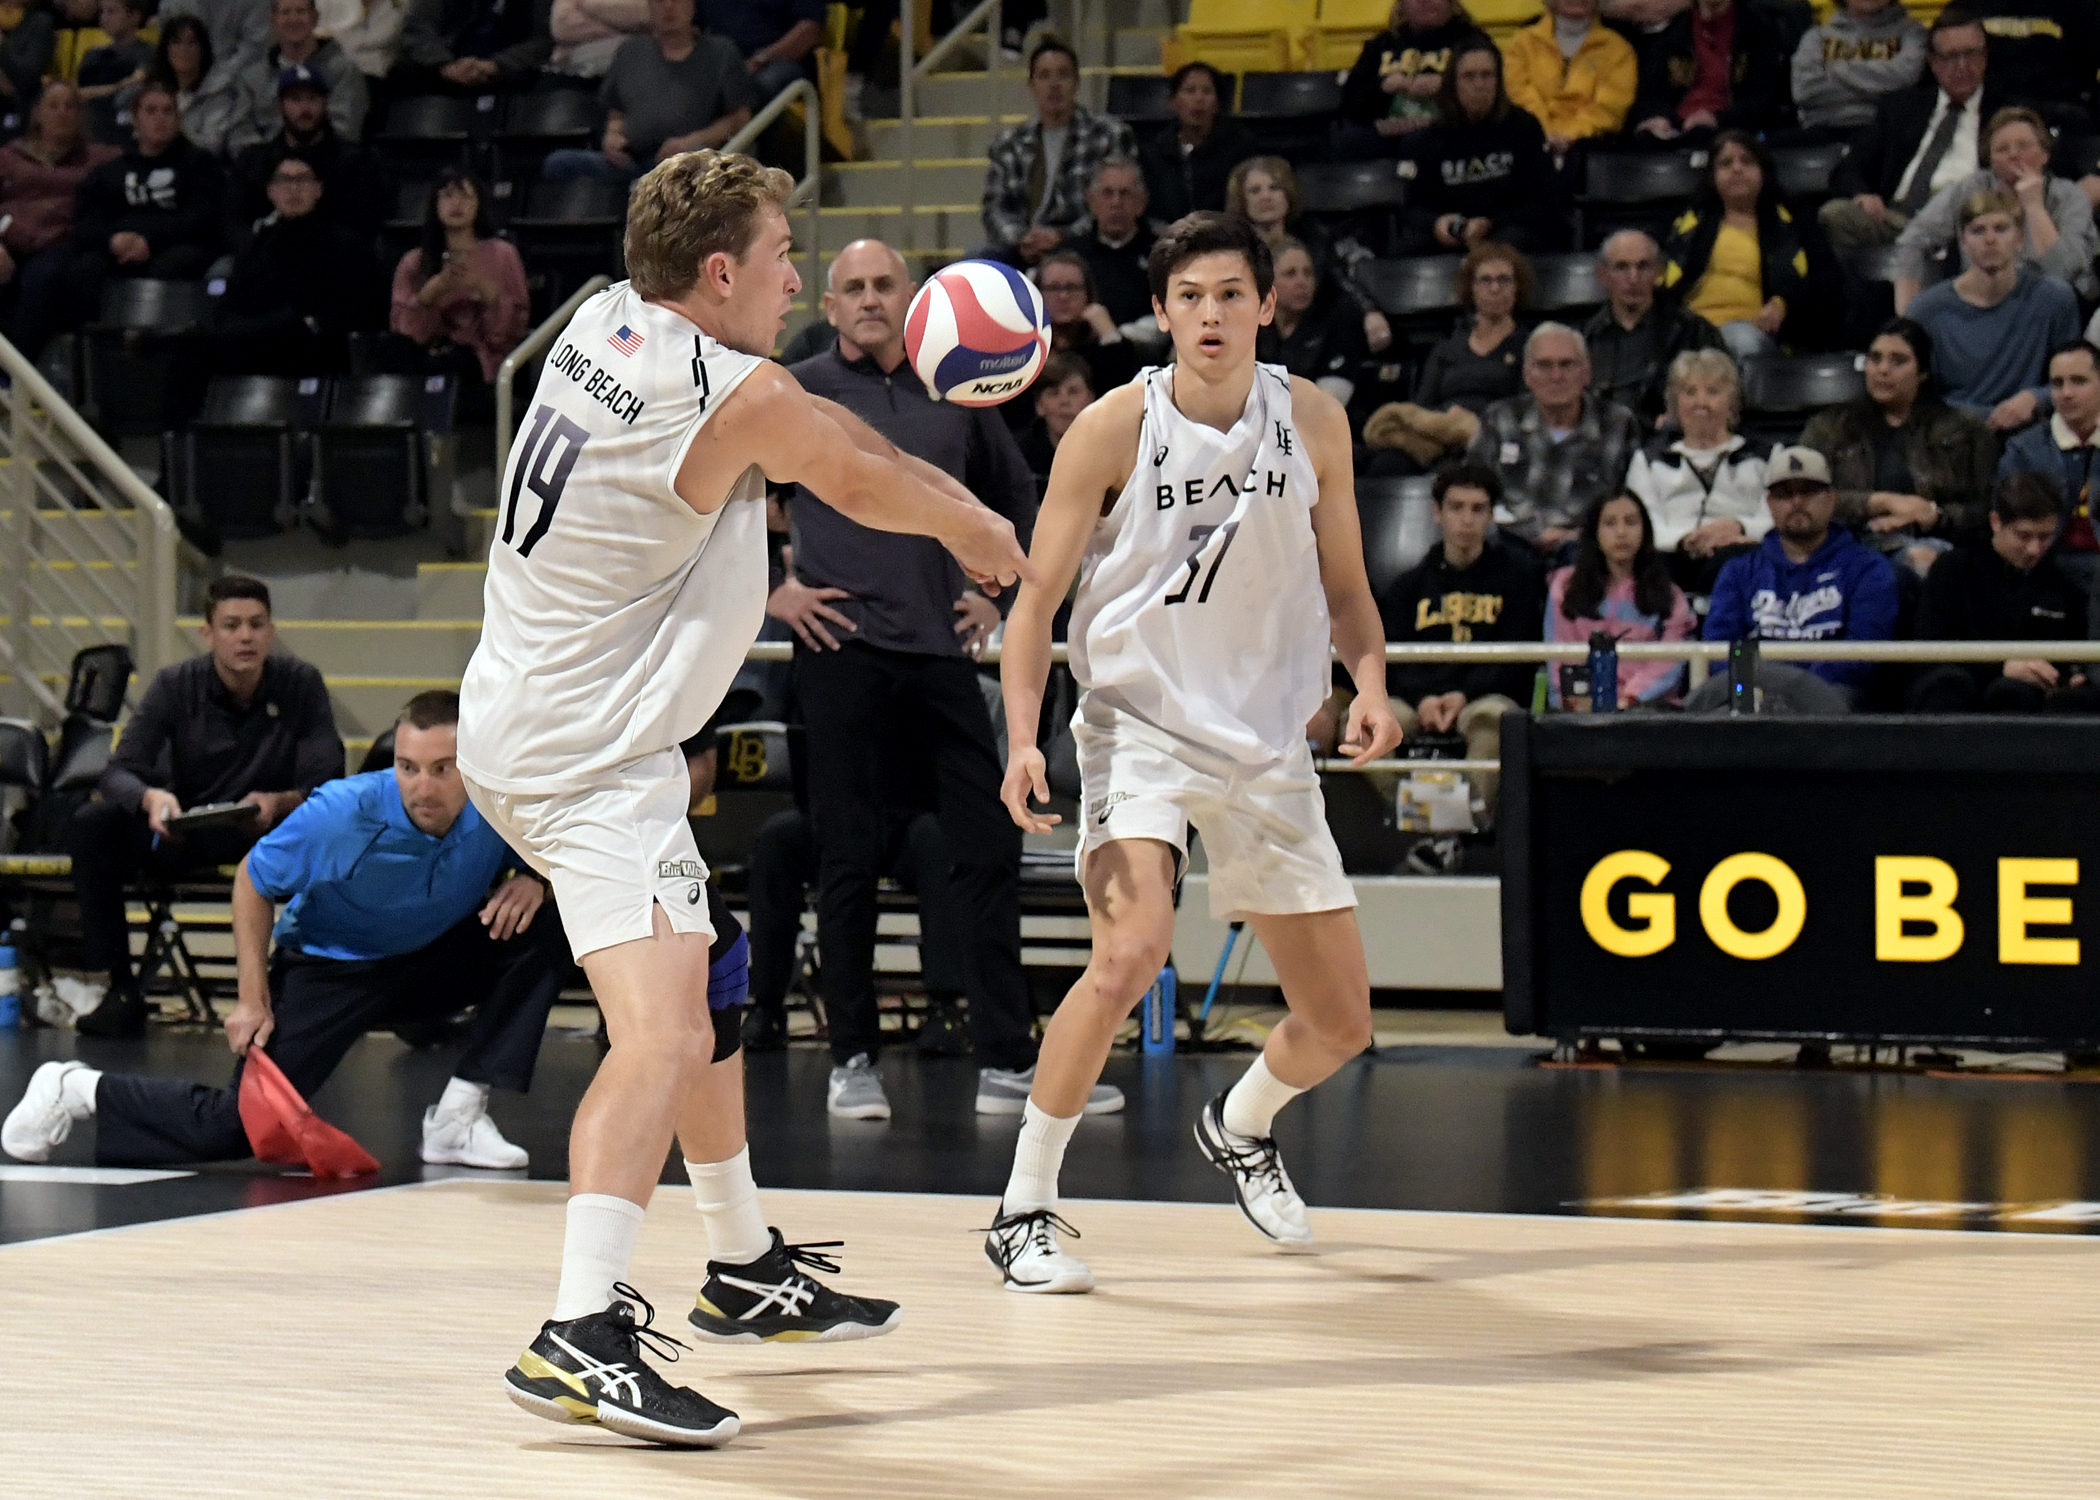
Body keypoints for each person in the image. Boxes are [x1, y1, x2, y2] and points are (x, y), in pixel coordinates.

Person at [457, 150, 1031, 1443]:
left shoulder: (604, 317)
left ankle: (741, 1264)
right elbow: (864, 474)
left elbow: (834, 437)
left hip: (537, 715)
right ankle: (579, 1330)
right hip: (586, 760)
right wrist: (993, 537)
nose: (794, 284)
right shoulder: (726, 391)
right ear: (718, 273)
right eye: (780, 259)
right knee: (658, 1035)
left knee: (705, 984)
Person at [984, 210, 1402, 1291]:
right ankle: (1024, 1205)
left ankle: (1243, 1121)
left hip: (1266, 737)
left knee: (1341, 1022)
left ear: (1267, 304)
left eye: (1230, 294)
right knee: (1129, 954)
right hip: (1142, 724)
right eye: (1189, 297)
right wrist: (1024, 739)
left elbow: (1349, 587)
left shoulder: (1313, 421)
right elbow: (1033, 606)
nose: (1210, 314)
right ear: (1161, 313)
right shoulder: (1114, 428)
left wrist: (1374, 686)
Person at [5, 692, 576, 1171]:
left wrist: (533, 876)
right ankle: (75, 1088)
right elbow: (253, 879)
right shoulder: (344, 813)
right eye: (408, 767)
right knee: (236, 1130)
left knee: (553, 924)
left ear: (474, 762)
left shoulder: (504, 800)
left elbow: (562, 840)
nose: (422, 788)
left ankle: (458, 1119)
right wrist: (252, 1000)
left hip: (430, 957)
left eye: (441, 769)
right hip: (331, 968)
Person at [777, 238, 1078, 1122]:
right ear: (829, 306)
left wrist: (1002, 603)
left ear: (912, 299)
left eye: (885, 284)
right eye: (854, 287)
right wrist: (774, 592)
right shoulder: (798, 390)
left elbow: (1021, 495)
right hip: (841, 652)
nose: (870, 298)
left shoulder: (957, 392)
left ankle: (1007, 1060)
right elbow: (711, 498)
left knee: (989, 841)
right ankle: (852, 1058)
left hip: (943, 654)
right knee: (848, 857)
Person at [53, 575, 342, 1038]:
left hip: (273, 834)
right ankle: (119, 990)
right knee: (92, 825)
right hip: (189, 831)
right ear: (208, 634)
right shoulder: (175, 684)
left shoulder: (301, 683)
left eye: (255, 624)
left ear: (271, 631)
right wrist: (151, 797)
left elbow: (327, 782)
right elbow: (117, 770)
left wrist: (280, 802)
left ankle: (308, 992)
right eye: (231, 625)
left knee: (341, 830)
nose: (245, 636)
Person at [1376, 461, 1542, 830]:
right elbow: (1394, 661)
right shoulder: (1408, 586)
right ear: (1437, 513)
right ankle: (1425, 821)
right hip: (1419, 700)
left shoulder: (1518, 580)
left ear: (1490, 517)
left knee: (1494, 721)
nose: (1466, 519)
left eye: (1477, 509)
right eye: (1456, 507)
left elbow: (1516, 661)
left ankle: (1458, 830)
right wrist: (1423, 700)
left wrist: (1462, 696)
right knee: (1367, 724)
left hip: (1482, 698)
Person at [1697, 445, 1900, 709]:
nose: (1796, 502)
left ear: (1831, 498)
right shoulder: (1738, 571)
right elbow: (1720, 649)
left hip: (1830, 698)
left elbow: (1863, 653)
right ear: (1769, 504)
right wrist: (1753, 693)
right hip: (1749, 696)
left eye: (1808, 491)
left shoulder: (1868, 568)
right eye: (1785, 494)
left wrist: (1795, 693)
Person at [1800, 316, 1998, 575]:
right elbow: (1802, 496)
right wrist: (1880, 502)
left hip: (1934, 544)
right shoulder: (1829, 427)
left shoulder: (1963, 430)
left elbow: (1987, 507)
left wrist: (1934, 514)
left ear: (1923, 372)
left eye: (1898, 361)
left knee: (1923, 562)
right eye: (1875, 358)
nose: (1883, 370)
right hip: (1846, 543)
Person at [1909, 470, 2095, 711]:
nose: (2034, 549)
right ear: (1996, 522)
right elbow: (1929, 650)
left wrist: (2071, 678)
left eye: (2045, 537)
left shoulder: (2061, 584)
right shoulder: (1953, 570)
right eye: (2024, 536)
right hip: (1955, 692)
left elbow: (2073, 653)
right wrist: (2000, 667)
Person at [1822, 10, 2003, 255]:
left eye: (1971, 54)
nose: (1962, 66)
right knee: (1834, 215)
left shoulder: (2005, 114)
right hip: (1897, 219)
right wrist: (1862, 194)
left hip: (1964, 226)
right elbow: (1849, 168)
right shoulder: (1901, 109)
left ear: (1985, 57)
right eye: (1950, 56)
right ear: (1933, 61)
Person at [1903, 186, 2080, 430]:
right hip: (1953, 433)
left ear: (2020, 238)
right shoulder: (1926, 310)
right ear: (1963, 242)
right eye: (1978, 231)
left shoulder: (2055, 299)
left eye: (2000, 229)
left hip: (2031, 431)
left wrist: (2036, 398)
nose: (1989, 240)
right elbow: (1914, 390)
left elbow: (2077, 377)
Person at [1464, 322, 1643, 556]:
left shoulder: (1619, 424)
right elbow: (1470, 495)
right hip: (1508, 549)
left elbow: (1632, 511)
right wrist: (1526, 532)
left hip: (1587, 553)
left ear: (1586, 373)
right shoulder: (1500, 418)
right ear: (1527, 375)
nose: (1556, 376)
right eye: (1544, 365)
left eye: (1567, 365)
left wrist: (1578, 537)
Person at [1659, 129, 1838, 359]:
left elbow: (1827, 281)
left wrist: (1783, 305)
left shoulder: (1795, 223)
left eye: (1747, 161)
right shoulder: (1686, 222)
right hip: (1690, 333)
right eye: (1725, 163)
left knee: (1737, 339)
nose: (1737, 169)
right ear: (1712, 177)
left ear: (1763, 171)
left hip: (1752, 334)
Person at [1893, 105, 2097, 307]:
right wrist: (1909, 318)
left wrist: (2034, 207)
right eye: (2002, 149)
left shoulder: (2070, 197)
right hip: (1981, 303)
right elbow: (1912, 241)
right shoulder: (1971, 188)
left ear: (2045, 155)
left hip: (2049, 307)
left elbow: (2065, 273)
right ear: (1990, 160)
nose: (2013, 154)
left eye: (2023, 146)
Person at [210, 152, 384, 375]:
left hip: (321, 359)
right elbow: (229, 314)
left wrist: (309, 325)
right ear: (271, 192)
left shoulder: (348, 247)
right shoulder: (255, 248)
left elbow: (368, 311)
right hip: (261, 356)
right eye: (284, 181)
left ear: (318, 190)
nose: (293, 189)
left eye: (302, 180)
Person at [541, 0, 752, 184]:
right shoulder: (630, 52)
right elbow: (617, 113)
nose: (668, 7)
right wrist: (612, 137)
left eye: (676, 0)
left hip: (693, 164)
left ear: (692, 6)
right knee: (559, 163)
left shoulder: (721, 53)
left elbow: (740, 117)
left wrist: (694, 141)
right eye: (659, 1)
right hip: (631, 162)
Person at [66, 80, 223, 327]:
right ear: (135, 120)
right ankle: (90, 349)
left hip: (176, 248)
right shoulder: (109, 172)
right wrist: (113, 240)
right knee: (86, 269)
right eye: (151, 111)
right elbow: (85, 224)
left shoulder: (199, 164)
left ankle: (160, 353)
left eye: (167, 111)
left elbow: (203, 219)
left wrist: (149, 241)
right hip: (118, 249)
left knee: (172, 265)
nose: (160, 119)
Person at [1363, 241, 1528, 469]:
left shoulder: (1530, 346)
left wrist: (1472, 425)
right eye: (1485, 280)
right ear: (1471, 288)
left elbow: (1527, 410)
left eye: (1504, 280)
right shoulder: (1446, 350)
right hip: (1440, 438)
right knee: (1387, 464)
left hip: (1494, 440)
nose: (1494, 288)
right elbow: (1423, 408)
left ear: (1517, 288)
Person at [1394, 37, 1562, 255]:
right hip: (1453, 234)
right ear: (1453, 84)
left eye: (1487, 75)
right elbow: (1413, 206)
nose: (1479, 85)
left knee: (1509, 245)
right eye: (1469, 77)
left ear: (1499, 82)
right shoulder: (1430, 139)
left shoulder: (1524, 128)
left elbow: (1545, 201)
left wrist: (1491, 223)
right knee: (1407, 249)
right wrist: (1437, 223)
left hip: (1507, 231)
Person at [979, 39, 1136, 269]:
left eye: (1063, 75)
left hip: (1082, 243)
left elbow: (1114, 204)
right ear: (1031, 86)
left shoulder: (1109, 135)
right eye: (1044, 76)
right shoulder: (1009, 143)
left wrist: (1063, 237)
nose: (1054, 84)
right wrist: (1021, 238)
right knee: (981, 257)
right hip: (1023, 244)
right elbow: (995, 206)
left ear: (1077, 83)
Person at [1625, 347, 1771, 590]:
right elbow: (1644, 521)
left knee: (1734, 564)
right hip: (1672, 555)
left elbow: (1775, 516)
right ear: (1675, 403)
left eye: (1712, 392)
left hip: (1741, 550)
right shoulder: (1648, 460)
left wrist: (1739, 527)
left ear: (1732, 402)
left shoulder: (1764, 456)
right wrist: (1685, 540)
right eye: (1689, 393)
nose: (1700, 403)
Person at [1228, 154, 1392, 358]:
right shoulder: (1230, 248)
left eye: (1274, 188)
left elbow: (1340, 282)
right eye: (1255, 191)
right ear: (1242, 201)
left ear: (1288, 194)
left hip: (1312, 330)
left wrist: (1369, 312)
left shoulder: (1314, 237)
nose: (1266, 197)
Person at [1544, 492, 1697, 706]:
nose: (1621, 532)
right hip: (1578, 712)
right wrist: (1583, 703)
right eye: (1609, 523)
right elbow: (1561, 656)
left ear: (1645, 531)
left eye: (1631, 522)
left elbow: (1668, 664)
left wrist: (1629, 699)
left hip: (1647, 712)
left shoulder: (1670, 597)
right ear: (1594, 532)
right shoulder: (1565, 587)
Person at [0, 83, 115, 359]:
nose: (62, 113)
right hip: (8, 239)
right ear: (37, 113)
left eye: (70, 106)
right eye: (53, 105)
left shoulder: (100, 159)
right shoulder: (8, 156)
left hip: (60, 244)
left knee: (42, 278)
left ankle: (20, 373)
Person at [387, 168, 530, 389]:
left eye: (466, 196)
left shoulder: (503, 254)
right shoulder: (414, 261)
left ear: (479, 205)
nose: (457, 204)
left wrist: (486, 292)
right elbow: (403, 332)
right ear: (435, 205)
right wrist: (429, 294)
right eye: (448, 196)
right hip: (426, 356)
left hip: (481, 363)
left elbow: (514, 330)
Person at [1995, 337, 2100, 620]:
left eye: (2079, 381)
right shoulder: (2024, 449)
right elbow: (2005, 520)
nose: (2066, 393)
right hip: (2045, 563)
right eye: (2057, 383)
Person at [225, 64, 387, 239]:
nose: (304, 109)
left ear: (325, 103)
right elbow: (235, 223)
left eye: (312, 98)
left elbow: (364, 224)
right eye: (295, 99)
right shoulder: (254, 162)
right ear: (280, 106)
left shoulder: (355, 162)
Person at [1582, 229, 1725, 424]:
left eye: (1643, 267)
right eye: (1622, 267)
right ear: (1603, 274)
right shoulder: (1585, 338)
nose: (1633, 278)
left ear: (1658, 271)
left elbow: (1724, 395)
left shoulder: (1693, 332)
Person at [1624, 0, 1795, 145]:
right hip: (1675, 128)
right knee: (1643, 141)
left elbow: (1762, 100)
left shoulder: (1758, 31)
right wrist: (1658, 118)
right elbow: (1649, 96)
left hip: (1730, 129)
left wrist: (1717, 119)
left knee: (1701, 136)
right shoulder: (1671, 34)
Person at [1336, 0, 1488, 158]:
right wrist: (1383, 88)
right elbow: (1350, 105)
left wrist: (1447, 88)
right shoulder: (1381, 45)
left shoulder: (1474, 43)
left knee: (1418, 142)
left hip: (1451, 136)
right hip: (1390, 138)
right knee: (1349, 140)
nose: (1424, 1)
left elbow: (1489, 102)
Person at [1501, 0, 1638, 159]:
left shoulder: (1619, 50)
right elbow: (1518, 94)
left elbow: (1610, 109)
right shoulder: (1522, 44)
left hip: (1589, 150)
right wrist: (1545, 133)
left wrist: (1570, 135)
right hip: (1531, 144)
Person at [225, 0, 369, 150]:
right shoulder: (252, 76)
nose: (293, 20)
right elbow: (239, 132)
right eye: (285, 12)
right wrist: (266, 162)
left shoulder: (343, 70)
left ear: (315, 18)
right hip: (267, 165)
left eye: (301, 12)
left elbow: (346, 130)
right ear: (272, 20)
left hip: (327, 163)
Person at [1790, 0, 1928, 141]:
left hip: (1887, 132)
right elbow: (1804, 91)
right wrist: (1878, 87)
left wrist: (1836, 68)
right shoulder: (1816, 38)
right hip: (1822, 130)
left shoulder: (1912, 33)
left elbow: (1906, 78)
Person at [1257, 237, 1369, 408]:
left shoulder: (1337, 320)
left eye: (1308, 273)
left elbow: (1332, 399)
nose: (1302, 282)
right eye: (1290, 274)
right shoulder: (1252, 326)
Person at [1136, 60, 1252, 223]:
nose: (1199, 98)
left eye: (1207, 91)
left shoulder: (1238, 147)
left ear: (1217, 103)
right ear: (1173, 102)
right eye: (1189, 91)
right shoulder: (1153, 153)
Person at [1034, 248, 1144, 401]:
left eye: (1072, 288)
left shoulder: (1106, 350)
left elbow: (1124, 398)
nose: (1063, 296)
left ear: (1088, 295)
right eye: (1053, 288)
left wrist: (1110, 337)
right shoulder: (1026, 349)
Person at [1065, 157, 1156, 336]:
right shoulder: (1071, 254)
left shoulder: (1160, 254)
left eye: (1125, 193)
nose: (1116, 203)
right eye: (1107, 193)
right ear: (1091, 201)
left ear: (1142, 203)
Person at [393, 0, 555, 95]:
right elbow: (418, 29)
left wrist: (495, 65)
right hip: (445, 68)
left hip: (509, 70)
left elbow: (544, 39)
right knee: (401, 74)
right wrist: (444, 65)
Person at [148, 13, 244, 153]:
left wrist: (172, 131)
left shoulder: (219, 92)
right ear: (166, 49)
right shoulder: (154, 90)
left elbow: (212, 146)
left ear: (202, 49)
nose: (184, 49)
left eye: (192, 42)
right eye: (176, 42)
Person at [695, 0, 821, 103]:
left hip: (778, 62)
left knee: (761, 84)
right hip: (724, 61)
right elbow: (692, 24)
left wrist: (759, 60)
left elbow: (808, 31)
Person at [75, 0, 153, 144]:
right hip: (92, 122)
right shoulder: (92, 55)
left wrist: (100, 92)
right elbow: (79, 93)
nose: (104, 18)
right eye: (102, 12)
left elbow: (135, 84)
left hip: (125, 121)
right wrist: (117, 87)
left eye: (112, 12)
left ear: (134, 17)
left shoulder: (148, 53)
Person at [1016, 350, 1093, 486]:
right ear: (1039, 406)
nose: (1064, 401)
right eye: (1053, 393)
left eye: (1073, 392)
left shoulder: (1113, 450)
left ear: (1091, 400)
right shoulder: (1018, 454)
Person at [159, 0, 272, 58]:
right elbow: (166, 47)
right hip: (183, 78)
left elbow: (254, 46)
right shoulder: (171, 4)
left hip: (239, 81)